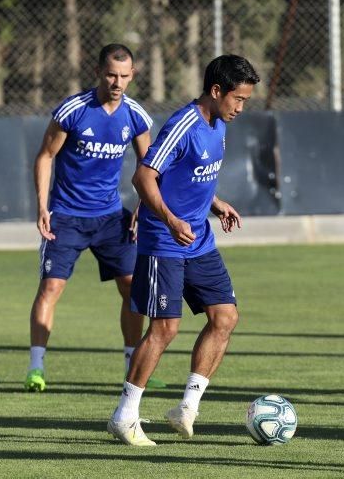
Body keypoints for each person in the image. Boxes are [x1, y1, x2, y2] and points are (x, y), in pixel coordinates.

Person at [106, 54, 260, 446]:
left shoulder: (219, 124)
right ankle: (124, 416)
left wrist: (215, 202)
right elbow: (144, 177)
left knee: (225, 317)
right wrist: (171, 220)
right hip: (164, 240)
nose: (241, 107)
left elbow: (190, 177)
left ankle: (186, 408)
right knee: (164, 329)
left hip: (198, 239)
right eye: (238, 99)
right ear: (216, 91)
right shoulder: (184, 124)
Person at [25, 43, 165, 392]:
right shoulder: (73, 110)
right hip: (66, 216)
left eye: (124, 76)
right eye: (111, 74)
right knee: (51, 287)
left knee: (133, 287)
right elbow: (45, 157)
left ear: (133, 75)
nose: (117, 82)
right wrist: (43, 207)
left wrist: (141, 207)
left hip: (109, 219)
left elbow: (150, 167)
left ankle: (133, 365)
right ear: (98, 73)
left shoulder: (135, 115)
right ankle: (36, 368)